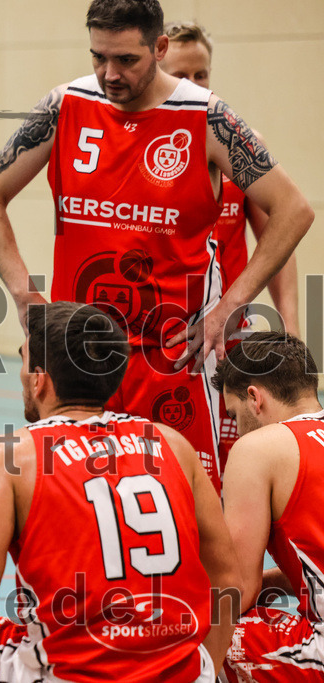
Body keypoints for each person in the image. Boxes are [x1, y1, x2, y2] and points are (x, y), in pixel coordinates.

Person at [0, 0, 314, 493]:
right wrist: (26, 298)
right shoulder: (64, 106)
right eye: (98, 57)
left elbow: (293, 210)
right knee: (78, 500)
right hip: (80, 355)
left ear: (159, 47)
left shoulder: (207, 117)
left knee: (184, 500)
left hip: (173, 356)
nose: (110, 74)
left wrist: (230, 305)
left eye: (126, 60)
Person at [0, 302, 240, 682]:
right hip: (180, 673)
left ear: (40, 380)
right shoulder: (171, 443)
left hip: (66, 674)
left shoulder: (11, 456)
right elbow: (229, 579)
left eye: (24, 361)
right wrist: (205, 668)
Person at [160, 20, 300, 469]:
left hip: (230, 333)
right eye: (181, 75)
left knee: (239, 455)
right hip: (170, 336)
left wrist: (291, 327)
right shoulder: (150, 154)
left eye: (201, 74)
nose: (193, 84)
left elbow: (280, 236)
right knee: (175, 459)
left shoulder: (240, 146)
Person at [212, 332, 324, 681]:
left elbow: (238, 591)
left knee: (204, 624)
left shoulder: (257, 448)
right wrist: (272, 581)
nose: (236, 429)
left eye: (234, 414)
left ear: (254, 398)